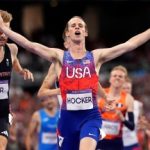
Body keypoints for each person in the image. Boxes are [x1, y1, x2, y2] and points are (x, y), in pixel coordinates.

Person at [0, 15, 150, 150]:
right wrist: (2, 28)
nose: (77, 27)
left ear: (85, 33)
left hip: (90, 116)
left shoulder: (96, 57)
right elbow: (29, 45)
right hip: (67, 119)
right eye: (73, 25)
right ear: (67, 33)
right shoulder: (58, 57)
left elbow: (130, 45)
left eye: (81, 25)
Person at [0, 10, 34, 150]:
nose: (3, 34)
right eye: (0, 30)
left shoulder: (12, 49)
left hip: (2, 113)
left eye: (6, 30)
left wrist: (21, 71)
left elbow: (14, 62)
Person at [97, 65, 135, 150]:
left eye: (120, 76)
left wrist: (121, 117)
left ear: (124, 80)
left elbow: (132, 126)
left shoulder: (128, 98)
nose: (117, 78)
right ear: (110, 78)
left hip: (116, 142)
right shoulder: (101, 93)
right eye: (115, 76)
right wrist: (102, 111)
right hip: (99, 138)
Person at [122, 77, 143, 150]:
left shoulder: (138, 104)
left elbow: (141, 121)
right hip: (117, 142)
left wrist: (141, 125)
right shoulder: (114, 104)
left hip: (132, 142)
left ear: (131, 89)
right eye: (124, 88)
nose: (126, 90)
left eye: (128, 88)